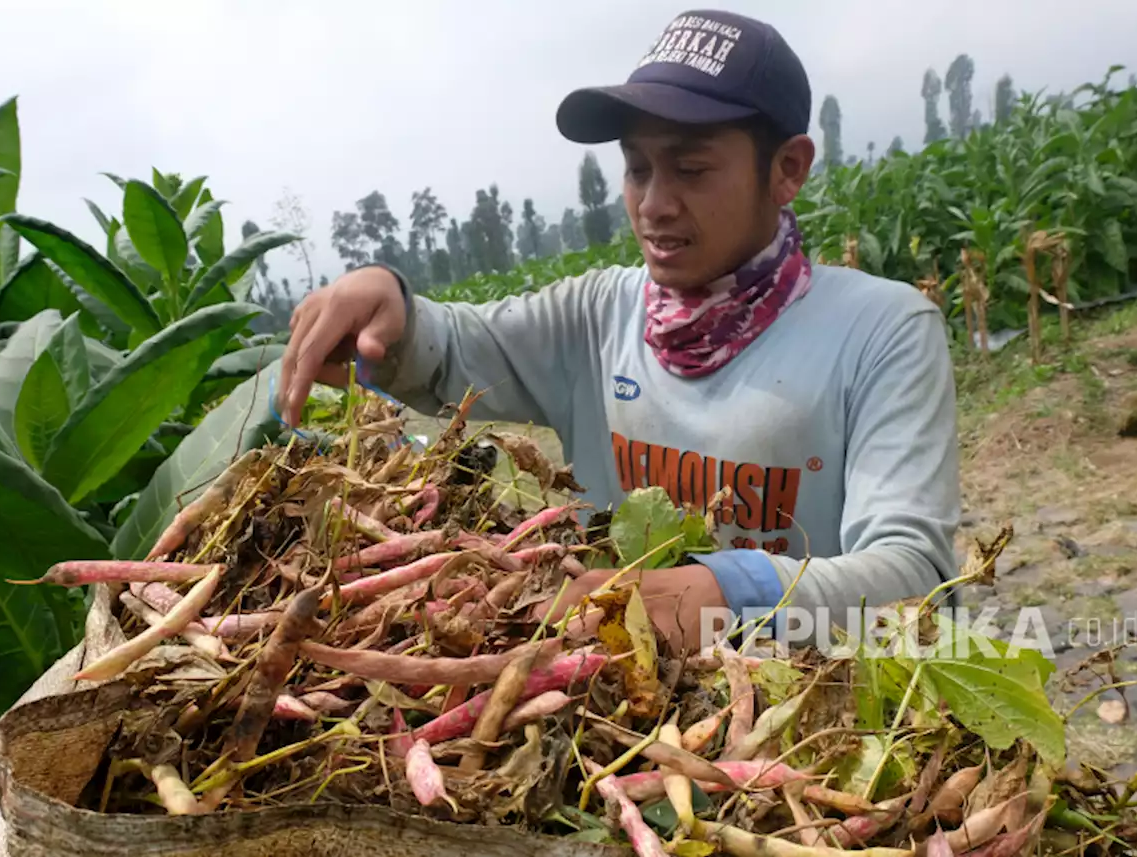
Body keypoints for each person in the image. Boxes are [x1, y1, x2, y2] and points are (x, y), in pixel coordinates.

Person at [278, 9, 961, 655]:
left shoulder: (881, 331)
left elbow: (917, 573)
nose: (654, 204)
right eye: (638, 167)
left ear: (788, 168)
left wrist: (736, 590)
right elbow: (449, 347)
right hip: (609, 698)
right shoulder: (595, 317)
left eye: (691, 168)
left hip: (805, 720)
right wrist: (389, 304)